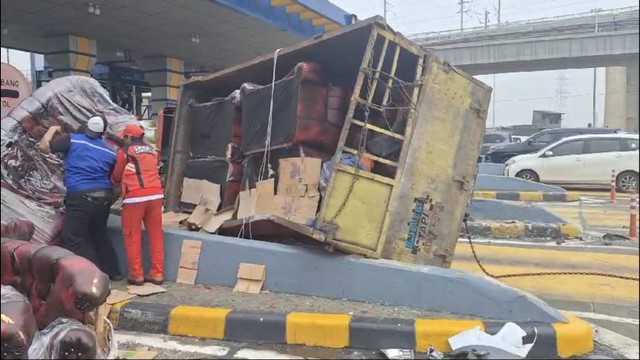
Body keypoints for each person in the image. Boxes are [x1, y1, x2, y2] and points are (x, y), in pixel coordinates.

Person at [38, 114, 122, 280]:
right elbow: (114, 179)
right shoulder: (110, 152)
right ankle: (114, 273)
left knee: (73, 238)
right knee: (100, 235)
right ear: (103, 132)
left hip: (80, 196)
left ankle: (81, 276)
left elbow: (43, 147)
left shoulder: (72, 140)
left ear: (86, 127)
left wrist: (52, 129)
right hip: (103, 197)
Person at [111, 124, 164, 286]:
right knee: (156, 234)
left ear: (127, 138)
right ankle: (157, 273)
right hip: (156, 195)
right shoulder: (153, 150)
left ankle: (136, 274)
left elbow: (117, 176)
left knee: (132, 235)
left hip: (134, 197)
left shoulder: (125, 152)